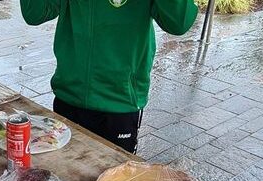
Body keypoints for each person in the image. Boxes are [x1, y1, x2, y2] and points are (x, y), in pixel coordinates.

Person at [20, 0, 198, 153]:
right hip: (69, 97)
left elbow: (178, 22)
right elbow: (35, 13)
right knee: (64, 177)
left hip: (119, 103)